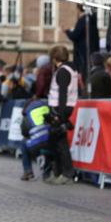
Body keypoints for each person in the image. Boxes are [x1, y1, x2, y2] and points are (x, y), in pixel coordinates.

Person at [46, 45, 78, 185]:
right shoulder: (69, 69)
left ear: (54, 58)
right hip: (62, 108)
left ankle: (67, 173)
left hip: (60, 109)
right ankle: (58, 171)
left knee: (61, 144)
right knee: (56, 142)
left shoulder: (63, 71)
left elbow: (63, 94)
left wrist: (60, 115)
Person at [66, 5, 100, 80]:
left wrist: (67, 31)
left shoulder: (83, 20)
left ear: (79, 10)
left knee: (83, 76)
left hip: (82, 54)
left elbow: (75, 35)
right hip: (91, 52)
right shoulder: (92, 20)